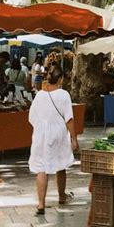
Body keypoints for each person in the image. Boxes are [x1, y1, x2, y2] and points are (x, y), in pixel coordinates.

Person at [29, 64, 79, 215]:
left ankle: (41, 204)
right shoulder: (64, 95)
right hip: (58, 133)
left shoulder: (39, 95)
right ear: (61, 79)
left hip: (41, 134)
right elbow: (69, 119)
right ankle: (62, 196)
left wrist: (42, 126)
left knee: (41, 167)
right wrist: (74, 138)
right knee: (60, 164)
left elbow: (31, 117)